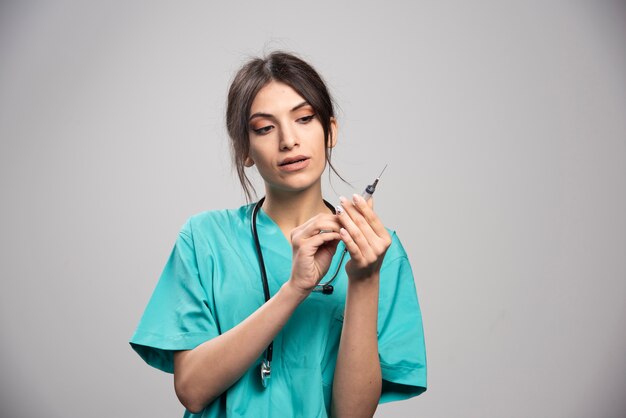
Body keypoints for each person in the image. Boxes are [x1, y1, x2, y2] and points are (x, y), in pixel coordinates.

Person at [129, 51, 427, 417]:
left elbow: (352, 415)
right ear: (245, 150)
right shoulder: (204, 238)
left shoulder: (377, 250)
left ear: (330, 131)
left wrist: (364, 279)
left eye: (304, 119)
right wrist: (293, 291)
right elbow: (192, 390)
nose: (288, 140)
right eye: (265, 128)